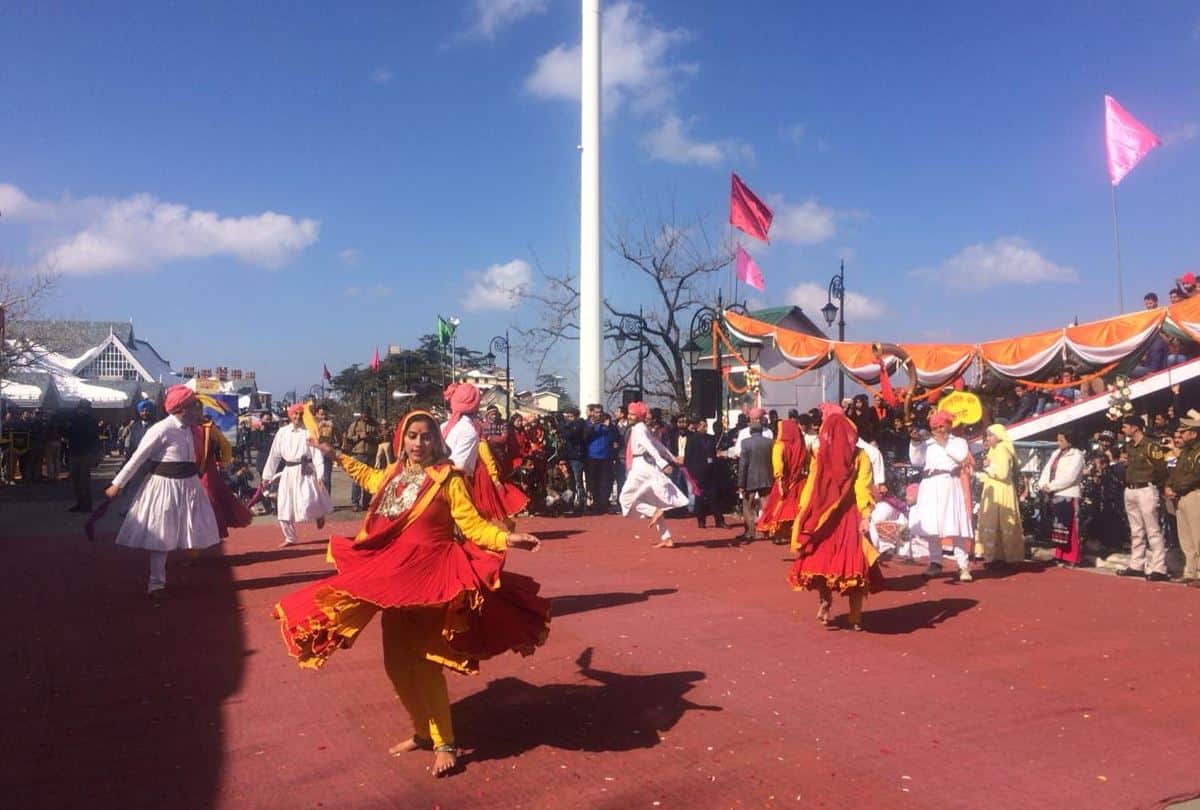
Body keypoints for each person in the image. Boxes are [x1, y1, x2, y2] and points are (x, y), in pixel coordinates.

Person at [280, 410, 549, 777]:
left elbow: (471, 524)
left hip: (431, 578)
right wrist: (334, 454)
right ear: (402, 439)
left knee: (423, 665)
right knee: (395, 664)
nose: (419, 443)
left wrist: (506, 537)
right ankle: (422, 732)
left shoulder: (448, 478)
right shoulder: (394, 474)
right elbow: (367, 476)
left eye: (426, 437)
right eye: (412, 436)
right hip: (394, 580)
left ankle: (445, 743)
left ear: (437, 441)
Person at [104, 385, 221, 599]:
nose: (198, 409)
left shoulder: (190, 429)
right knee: (162, 535)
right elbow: (137, 458)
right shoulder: (161, 429)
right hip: (165, 487)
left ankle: (186, 559)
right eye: (195, 405)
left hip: (189, 485)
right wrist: (117, 484)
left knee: (194, 526)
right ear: (182, 409)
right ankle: (156, 584)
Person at [788, 406, 885, 631]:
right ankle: (855, 616)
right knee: (854, 566)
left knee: (821, 561)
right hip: (850, 516)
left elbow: (812, 487)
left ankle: (825, 600)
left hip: (824, 518)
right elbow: (863, 489)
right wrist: (866, 515)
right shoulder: (860, 456)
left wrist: (804, 513)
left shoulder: (820, 456)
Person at [441, 383, 527, 527]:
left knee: (487, 501)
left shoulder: (444, 427)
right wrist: (493, 475)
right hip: (466, 478)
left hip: (462, 476)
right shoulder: (470, 430)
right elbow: (461, 466)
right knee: (485, 502)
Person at [909, 410, 974, 581]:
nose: (939, 429)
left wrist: (944, 443)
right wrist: (915, 443)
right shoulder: (928, 443)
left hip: (949, 484)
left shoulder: (958, 442)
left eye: (942, 425)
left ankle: (963, 566)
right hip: (930, 485)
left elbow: (961, 457)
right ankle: (935, 562)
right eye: (936, 426)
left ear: (948, 425)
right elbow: (916, 461)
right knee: (932, 527)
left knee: (956, 526)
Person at [618, 401, 688, 548]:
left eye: (632, 414)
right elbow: (658, 445)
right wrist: (672, 458)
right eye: (629, 414)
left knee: (625, 498)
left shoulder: (638, 429)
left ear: (638, 416)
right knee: (652, 500)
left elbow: (651, 447)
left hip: (640, 467)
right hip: (644, 465)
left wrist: (664, 463)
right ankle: (666, 537)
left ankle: (654, 512)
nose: (629, 416)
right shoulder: (642, 428)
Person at [262, 403, 332, 547]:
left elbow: (316, 454)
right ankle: (290, 537)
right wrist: (267, 476)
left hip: (305, 470)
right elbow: (274, 455)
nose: (297, 417)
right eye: (295, 414)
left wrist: (320, 475)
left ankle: (318, 515)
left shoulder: (308, 432)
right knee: (283, 505)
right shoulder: (282, 432)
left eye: (300, 414)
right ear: (290, 415)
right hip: (288, 471)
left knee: (308, 500)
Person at [1115, 415, 1170, 581]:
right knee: (1136, 530)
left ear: (1136, 428)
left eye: (1126, 427)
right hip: (1130, 488)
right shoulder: (1129, 446)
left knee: (1152, 529)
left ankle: (1159, 567)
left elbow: (1161, 469)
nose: (1123, 430)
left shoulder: (1150, 445)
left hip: (1146, 488)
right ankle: (1136, 564)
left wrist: (1157, 485)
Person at [974, 424, 1025, 567]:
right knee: (994, 521)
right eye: (987, 436)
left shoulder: (1002, 449)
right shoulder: (993, 449)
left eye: (991, 435)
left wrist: (987, 467)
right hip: (994, 489)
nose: (988, 438)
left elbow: (1002, 473)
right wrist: (979, 475)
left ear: (999, 436)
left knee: (1000, 521)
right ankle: (995, 556)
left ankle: (1003, 557)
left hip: (1001, 490)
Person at [1036, 430, 1086, 567]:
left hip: (1069, 493)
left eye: (1062, 440)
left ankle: (1072, 556)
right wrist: (1043, 484)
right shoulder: (1056, 453)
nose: (1059, 443)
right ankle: (1060, 554)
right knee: (1058, 526)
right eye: (1058, 440)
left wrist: (1052, 486)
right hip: (1055, 494)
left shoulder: (1077, 455)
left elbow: (1070, 477)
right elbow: (1047, 470)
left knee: (1070, 526)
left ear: (1070, 441)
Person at [757, 419, 808, 542]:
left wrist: (779, 482)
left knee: (777, 507)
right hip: (798, 480)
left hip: (784, 480)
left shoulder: (779, 446)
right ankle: (791, 533)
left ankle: (779, 534)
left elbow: (777, 465)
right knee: (794, 507)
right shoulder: (800, 446)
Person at [1165, 411, 1200, 586]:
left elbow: (1196, 475)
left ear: (1193, 433)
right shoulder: (1185, 452)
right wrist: (1169, 486)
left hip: (1195, 494)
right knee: (1186, 538)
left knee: (1198, 536)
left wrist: (1176, 488)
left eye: (1184, 432)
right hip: (1182, 496)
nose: (1181, 435)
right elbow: (1175, 472)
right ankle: (1191, 571)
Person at [737, 420, 774, 542]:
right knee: (767, 505)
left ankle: (750, 532)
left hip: (750, 478)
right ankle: (767, 530)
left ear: (751, 431)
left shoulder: (745, 443)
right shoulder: (770, 442)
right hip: (767, 477)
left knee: (748, 506)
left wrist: (741, 483)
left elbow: (743, 465)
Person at [684, 417, 724, 529]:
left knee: (714, 497)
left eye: (706, 425)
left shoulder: (711, 438)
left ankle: (719, 520)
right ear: (697, 427)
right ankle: (701, 521)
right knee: (699, 498)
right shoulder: (692, 439)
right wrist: (692, 473)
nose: (705, 428)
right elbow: (688, 458)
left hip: (711, 471)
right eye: (702, 426)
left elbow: (714, 454)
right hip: (698, 472)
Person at [65, 400, 100, 512]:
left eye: (83, 408)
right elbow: (67, 433)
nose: (81, 410)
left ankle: (87, 504)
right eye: (80, 408)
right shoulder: (73, 419)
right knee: (75, 480)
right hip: (74, 452)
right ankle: (79, 502)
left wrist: (95, 454)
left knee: (84, 481)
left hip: (85, 453)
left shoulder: (91, 421)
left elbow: (94, 438)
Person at [343, 409, 379, 511]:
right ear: (361, 414)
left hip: (371, 454)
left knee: (369, 480)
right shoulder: (355, 424)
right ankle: (355, 503)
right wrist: (359, 436)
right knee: (357, 480)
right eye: (364, 414)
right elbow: (348, 439)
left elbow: (380, 437)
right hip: (359, 454)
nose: (366, 416)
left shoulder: (375, 424)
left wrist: (371, 437)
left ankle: (366, 503)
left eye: (368, 414)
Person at [315, 405, 341, 494]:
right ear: (317, 414)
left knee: (326, 479)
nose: (324, 417)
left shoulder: (331, 424)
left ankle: (327, 502)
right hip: (315, 453)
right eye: (321, 414)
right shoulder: (313, 423)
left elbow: (339, 437)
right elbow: (309, 436)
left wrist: (334, 427)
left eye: (325, 414)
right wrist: (318, 427)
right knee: (315, 479)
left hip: (327, 453)